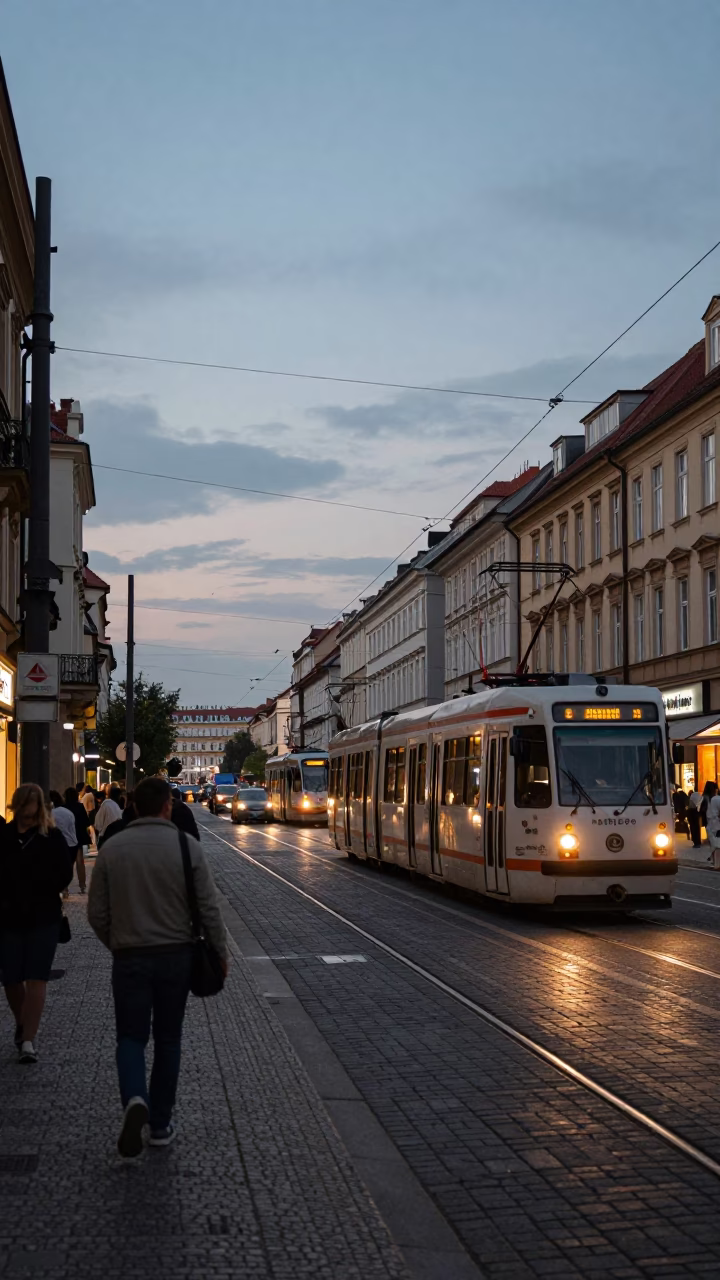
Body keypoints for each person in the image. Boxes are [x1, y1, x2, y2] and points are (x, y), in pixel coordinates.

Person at [87, 776, 228, 1158]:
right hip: (175, 957)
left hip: (130, 957)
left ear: (132, 806)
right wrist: (220, 951)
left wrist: (118, 942)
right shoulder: (186, 847)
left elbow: (97, 912)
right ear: (168, 806)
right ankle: (161, 1123)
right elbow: (209, 908)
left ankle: (135, 1097)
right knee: (168, 1039)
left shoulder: (113, 848)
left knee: (130, 1038)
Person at [0, 784, 74, 1064]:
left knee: (37, 977)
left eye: (33, 803)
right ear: (17, 804)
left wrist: (41, 888)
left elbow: (63, 873)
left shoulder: (50, 837)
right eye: (25, 803)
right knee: (11, 978)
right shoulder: (4, 836)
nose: (29, 809)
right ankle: (22, 1023)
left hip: (43, 916)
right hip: (8, 916)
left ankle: (28, 1039)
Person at [49, 791, 80, 896]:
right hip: (72, 843)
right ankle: (65, 888)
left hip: (60, 844)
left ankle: (62, 889)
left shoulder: (51, 814)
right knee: (68, 867)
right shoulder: (68, 812)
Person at [64, 787, 90, 893]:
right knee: (80, 862)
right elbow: (86, 822)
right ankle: (82, 885)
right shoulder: (80, 807)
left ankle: (65, 887)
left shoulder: (64, 807)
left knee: (67, 862)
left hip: (67, 837)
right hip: (78, 836)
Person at [707, 785, 720, 868]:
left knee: (715, 845)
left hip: (713, 824)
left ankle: (716, 864)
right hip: (717, 824)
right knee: (718, 845)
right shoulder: (718, 799)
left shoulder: (713, 799)